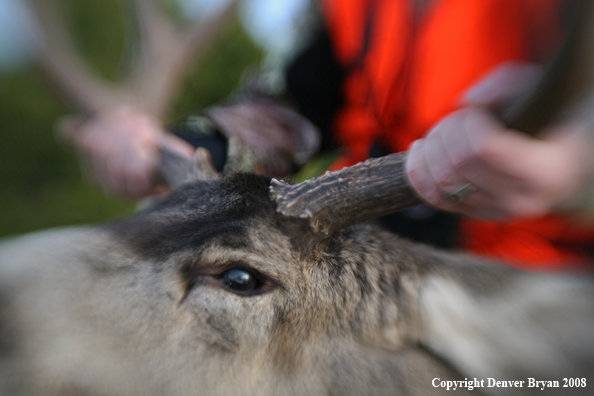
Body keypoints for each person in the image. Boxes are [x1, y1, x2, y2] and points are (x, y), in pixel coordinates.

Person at [61, 0, 594, 269]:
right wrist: (184, 147)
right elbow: (296, 108)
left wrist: (577, 163)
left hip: (534, 286)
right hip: (356, 251)